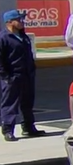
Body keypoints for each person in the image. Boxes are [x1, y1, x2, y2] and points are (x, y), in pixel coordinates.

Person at [0, 10, 43, 141]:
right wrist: (6, 76)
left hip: (27, 75)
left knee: (28, 102)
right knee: (10, 103)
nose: (22, 22)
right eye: (18, 20)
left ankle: (29, 127)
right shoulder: (4, 38)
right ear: (9, 22)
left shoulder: (23, 37)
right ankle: (8, 129)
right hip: (12, 76)